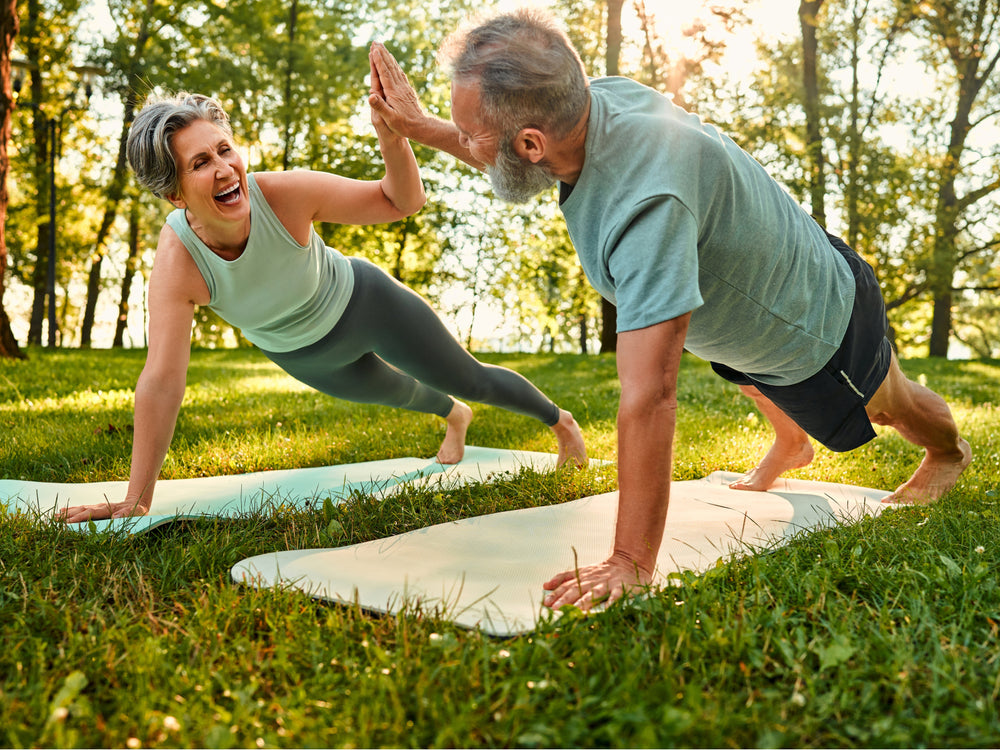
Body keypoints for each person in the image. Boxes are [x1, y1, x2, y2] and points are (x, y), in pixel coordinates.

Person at [365, 9, 972, 610]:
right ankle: (792, 443)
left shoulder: (648, 210)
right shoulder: (586, 102)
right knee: (742, 371)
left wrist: (630, 561)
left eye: (469, 133)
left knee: (892, 402)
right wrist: (415, 127)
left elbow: (649, 396)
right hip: (749, 311)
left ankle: (948, 453)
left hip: (823, 329)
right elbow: (508, 157)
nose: (464, 142)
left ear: (532, 142)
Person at [60, 46, 587, 524]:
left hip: (366, 303)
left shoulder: (283, 196)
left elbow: (399, 202)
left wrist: (392, 140)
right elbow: (162, 379)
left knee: (470, 377)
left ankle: (560, 423)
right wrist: (138, 496)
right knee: (404, 394)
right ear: (175, 194)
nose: (225, 169)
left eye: (224, 150)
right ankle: (454, 418)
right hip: (303, 355)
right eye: (201, 163)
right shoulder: (179, 263)